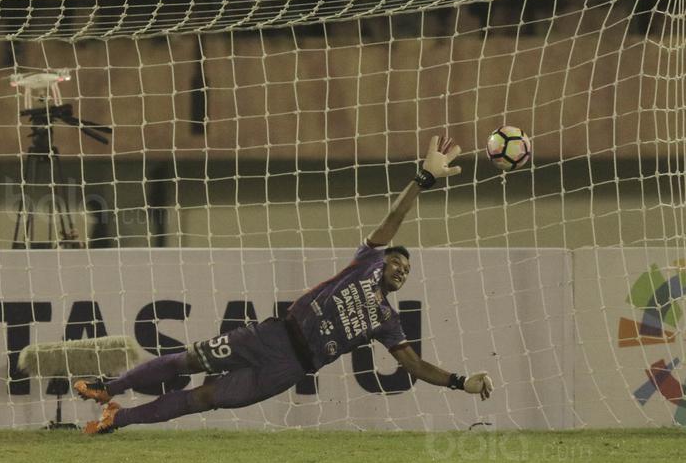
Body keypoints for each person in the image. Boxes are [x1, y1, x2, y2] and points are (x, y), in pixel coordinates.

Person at [75, 136, 494, 434]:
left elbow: (414, 366)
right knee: (190, 361)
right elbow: (394, 220)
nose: (401, 270)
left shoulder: (387, 320)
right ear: (382, 259)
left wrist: (461, 382)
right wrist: (422, 180)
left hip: (289, 368)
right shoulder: (365, 262)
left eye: (407, 270)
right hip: (271, 336)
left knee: (204, 399)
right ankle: (108, 387)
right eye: (397, 262)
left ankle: (119, 419)